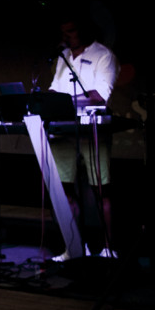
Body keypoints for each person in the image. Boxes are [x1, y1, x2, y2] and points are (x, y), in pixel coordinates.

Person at [48, 15, 120, 261]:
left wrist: (64, 102)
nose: (66, 36)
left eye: (71, 31)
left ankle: (108, 247)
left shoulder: (104, 55)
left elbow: (99, 96)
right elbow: (54, 91)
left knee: (101, 191)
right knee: (64, 191)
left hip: (93, 130)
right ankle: (74, 247)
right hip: (63, 130)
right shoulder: (63, 57)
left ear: (85, 31)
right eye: (63, 31)